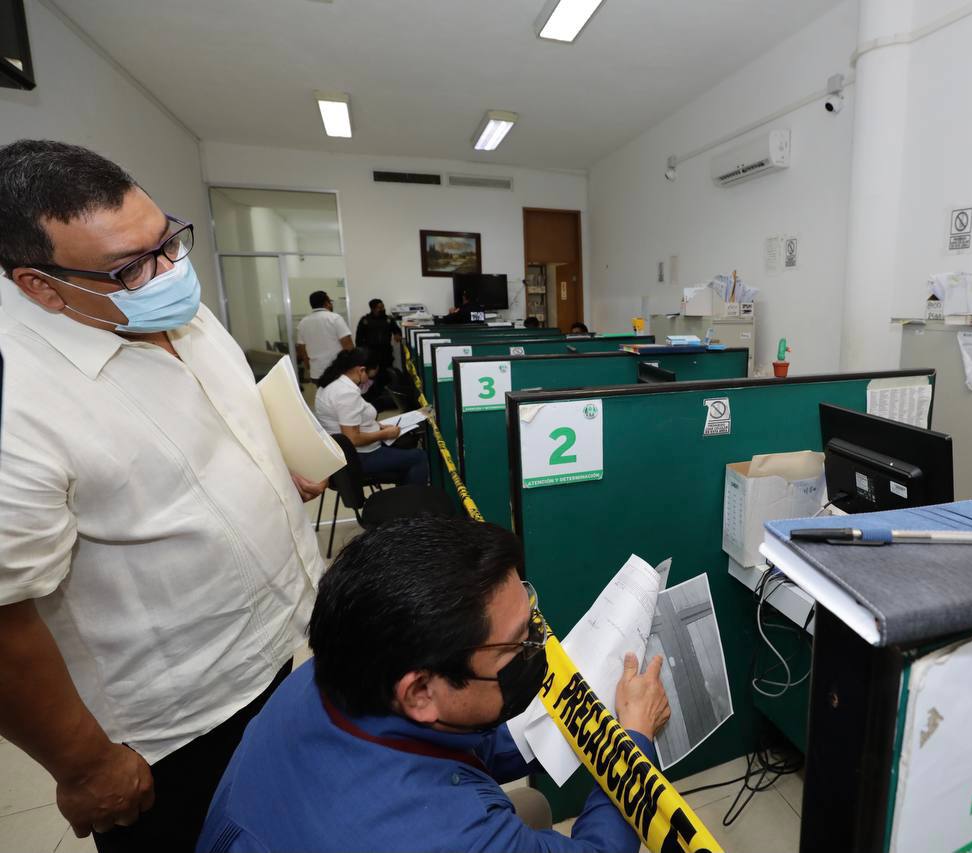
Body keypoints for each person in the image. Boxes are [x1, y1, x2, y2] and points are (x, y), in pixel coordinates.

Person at [0, 139, 327, 852]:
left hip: (276, 647)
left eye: (166, 242)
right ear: (41, 285)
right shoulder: (15, 398)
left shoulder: (158, 296)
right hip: (174, 730)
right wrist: (85, 765)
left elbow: (212, 421)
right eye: (129, 266)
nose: (166, 274)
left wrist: (271, 474)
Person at [199, 517, 670, 853]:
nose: (537, 647)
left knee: (531, 805)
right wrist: (632, 744)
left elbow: (441, 740)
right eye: (515, 645)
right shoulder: (450, 838)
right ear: (420, 691)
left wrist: (559, 723)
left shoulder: (333, 672)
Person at [314, 347, 429, 484]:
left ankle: (404, 496)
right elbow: (352, 438)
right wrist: (385, 434)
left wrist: (378, 426)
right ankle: (412, 501)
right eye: (369, 376)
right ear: (361, 370)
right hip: (358, 457)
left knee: (405, 446)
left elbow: (350, 420)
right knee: (419, 457)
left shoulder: (331, 383)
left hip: (343, 454)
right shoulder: (345, 393)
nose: (368, 380)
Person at [297, 289, 353, 382]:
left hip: (316, 373)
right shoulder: (335, 318)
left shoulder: (302, 323)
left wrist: (309, 366)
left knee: (322, 396)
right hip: (337, 372)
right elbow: (348, 346)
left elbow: (302, 349)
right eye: (330, 301)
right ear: (326, 303)